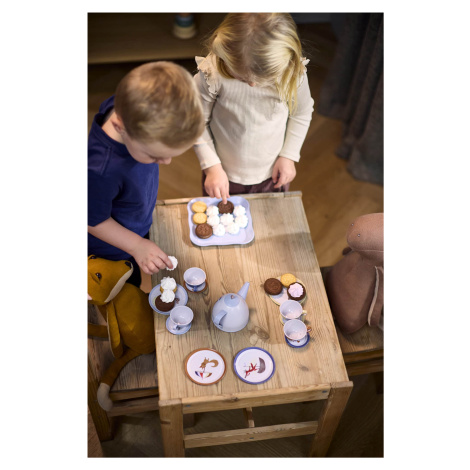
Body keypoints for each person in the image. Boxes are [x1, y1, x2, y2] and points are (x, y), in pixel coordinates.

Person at [88, 61, 204, 288]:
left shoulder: (129, 107)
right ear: (120, 126)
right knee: (126, 290)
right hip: (112, 252)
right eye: (155, 156)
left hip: (135, 221)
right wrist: (135, 245)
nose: (166, 162)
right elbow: (92, 220)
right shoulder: (99, 171)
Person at [193, 13, 314, 203]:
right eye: (242, 78)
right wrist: (212, 167)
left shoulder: (292, 73)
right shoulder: (212, 73)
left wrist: (289, 156)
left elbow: (302, 113)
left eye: (263, 79)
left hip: (274, 171)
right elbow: (196, 121)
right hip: (221, 173)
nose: (252, 84)